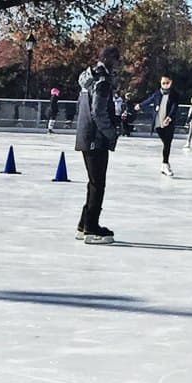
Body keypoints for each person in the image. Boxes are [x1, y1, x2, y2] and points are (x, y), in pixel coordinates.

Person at [74, 46, 121, 245]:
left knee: (93, 182)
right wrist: (112, 134)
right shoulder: (102, 82)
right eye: (117, 60)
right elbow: (98, 112)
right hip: (95, 138)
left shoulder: (89, 78)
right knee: (97, 184)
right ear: (109, 59)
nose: (119, 64)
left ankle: (84, 224)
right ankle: (91, 229)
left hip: (85, 135)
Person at [135, 74, 180, 176]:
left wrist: (169, 117)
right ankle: (165, 164)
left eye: (167, 83)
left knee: (167, 143)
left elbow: (174, 107)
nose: (165, 85)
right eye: (163, 83)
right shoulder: (157, 93)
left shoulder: (175, 94)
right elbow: (149, 100)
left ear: (171, 82)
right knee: (166, 143)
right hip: (158, 122)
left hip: (168, 122)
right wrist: (140, 105)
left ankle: (165, 164)